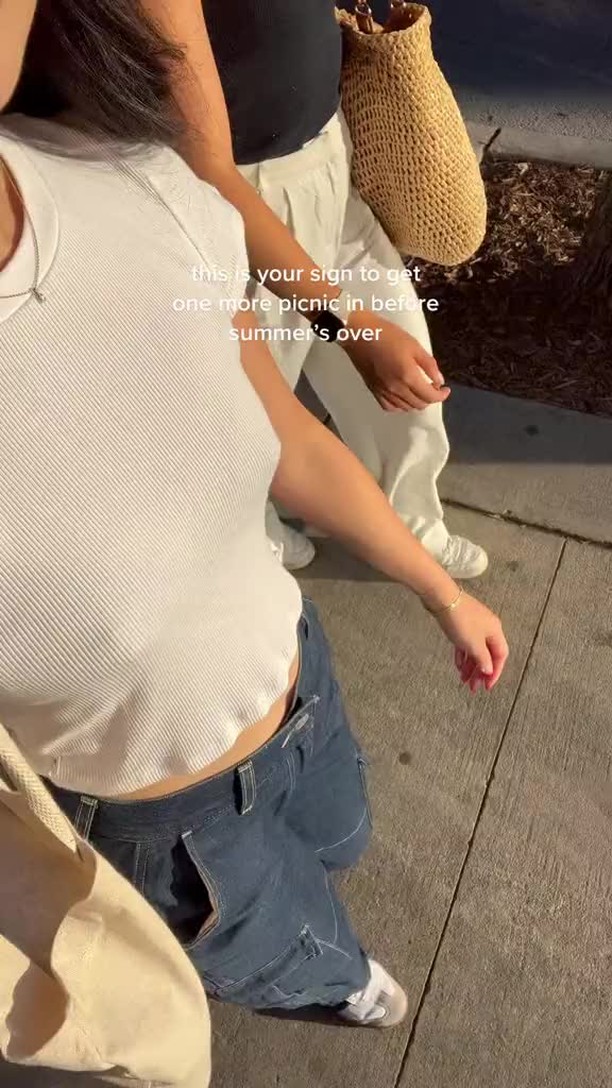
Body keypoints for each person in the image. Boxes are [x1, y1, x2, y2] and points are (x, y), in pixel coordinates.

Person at [1, 0, 508, 1029]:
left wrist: (440, 591)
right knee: (299, 952)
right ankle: (340, 984)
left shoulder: (139, 182)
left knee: (342, 835)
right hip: (163, 829)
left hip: (297, 675)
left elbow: (291, 440)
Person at [131, 0, 489, 578]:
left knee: (406, 356)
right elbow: (204, 159)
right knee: (260, 392)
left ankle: (409, 522)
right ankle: (256, 535)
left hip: (326, 144)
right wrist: (348, 326)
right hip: (242, 188)